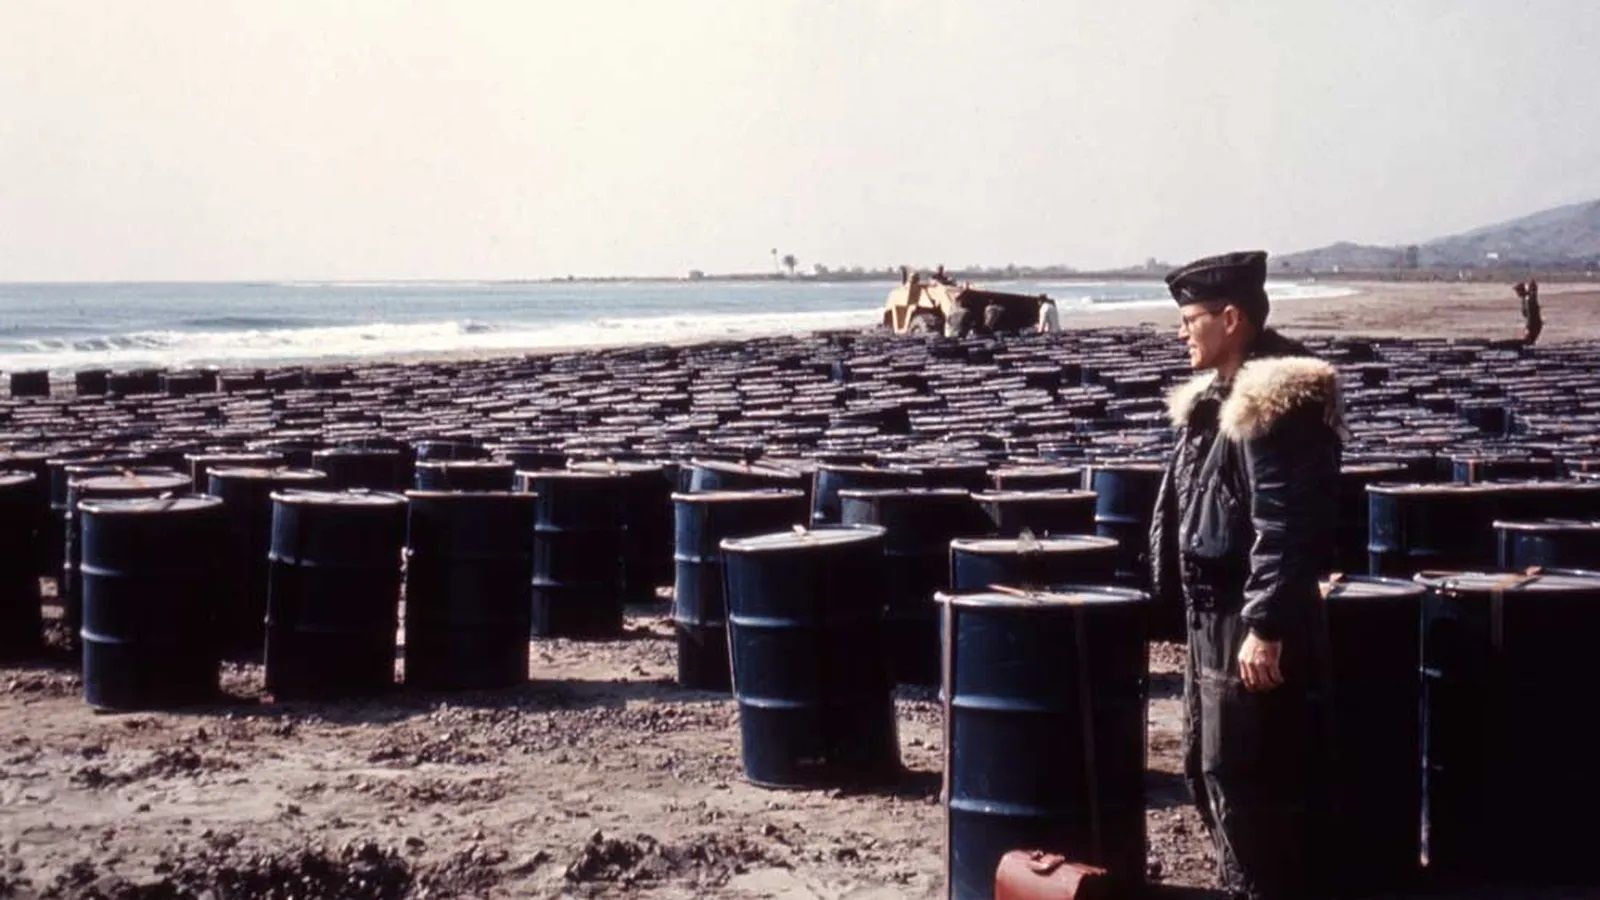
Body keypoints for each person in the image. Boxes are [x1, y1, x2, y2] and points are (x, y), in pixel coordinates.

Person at [1148, 250, 1346, 900]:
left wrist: (1265, 626)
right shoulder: (1219, 401)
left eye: (1190, 319)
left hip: (1245, 620)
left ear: (1230, 318)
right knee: (1210, 768)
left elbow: (1285, 524)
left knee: (1248, 780)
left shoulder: (1272, 408)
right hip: (1213, 617)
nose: (1181, 332)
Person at [1520, 278, 1543, 345]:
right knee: (1529, 341)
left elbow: (1529, 314)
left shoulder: (1529, 299)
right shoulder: (1526, 300)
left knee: (1528, 341)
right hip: (1533, 324)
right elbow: (1525, 313)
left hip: (1533, 324)